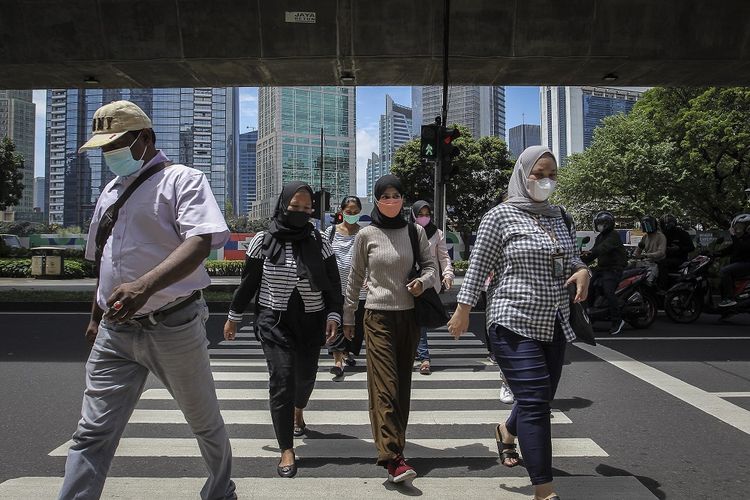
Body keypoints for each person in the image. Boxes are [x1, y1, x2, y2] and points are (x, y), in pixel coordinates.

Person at [59, 100, 236, 500]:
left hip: (172, 324)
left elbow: (199, 243)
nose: (109, 154)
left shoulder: (183, 179)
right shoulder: (110, 191)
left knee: (202, 421)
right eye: (103, 148)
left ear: (146, 138)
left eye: (116, 144)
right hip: (115, 329)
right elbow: (106, 260)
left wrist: (145, 287)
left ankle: (221, 489)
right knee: (91, 432)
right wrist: (95, 315)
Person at [447, 146, 590, 500]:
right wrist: (463, 309)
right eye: (538, 174)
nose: (545, 181)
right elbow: (479, 265)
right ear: (522, 174)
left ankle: (505, 431)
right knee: (537, 402)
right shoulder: (500, 216)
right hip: (511, 319)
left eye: (552, 175)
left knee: (537, 398)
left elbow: (572, 259)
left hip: (553, 319)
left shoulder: (558, 215)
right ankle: (544, 488)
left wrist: (583, 270)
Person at [223, 182, 342, 478]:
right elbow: (248, 283)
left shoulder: (319, 241)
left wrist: (335, 315)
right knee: (282, 378)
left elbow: (332, 284)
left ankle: (298, 409)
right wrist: (233, 316)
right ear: (282, 205)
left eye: (306, 208)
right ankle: (286, 447)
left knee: (305, 377)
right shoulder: (262, 241)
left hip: (311, 319)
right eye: (295, 207)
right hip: (273, 320)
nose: (301, 212)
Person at [343, 175, 437, 484]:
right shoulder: (367, 234)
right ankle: (393, 457)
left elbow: (430, 267)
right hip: (377, 316)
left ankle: (397, 446)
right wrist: (348, 316)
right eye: (386, 195)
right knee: (385, 386)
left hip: (408, 317)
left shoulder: (416, 231)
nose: (392, 200)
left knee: (403, 387)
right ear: (377, 199)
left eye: (397, 194)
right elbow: (356, 278)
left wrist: (422, 282)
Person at [324, 196, 368, 377]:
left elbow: (371, 258)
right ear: (342, 212)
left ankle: (346, 352)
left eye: (356, 212)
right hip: (336, 288)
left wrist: (370, 276)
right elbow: (323, 256)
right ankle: (338, 361)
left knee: (356, 327)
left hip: (359, 290)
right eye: (349, 212)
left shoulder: (365, 233)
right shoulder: (330, 232)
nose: (352, 215)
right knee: (337, 323)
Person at [410, 200, 454, 375]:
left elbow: (443, 257)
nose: (424, 218)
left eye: (427, 214)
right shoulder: (407, 231)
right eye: (420, 215)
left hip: (429, 283)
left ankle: (424, 357)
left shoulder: (437, 233)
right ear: (413, 215)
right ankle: (415, 353)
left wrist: (448, 274)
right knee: (411, 320)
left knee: (420, 320)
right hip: (410, 281)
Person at [582, 211, 628, 335]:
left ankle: (617, 321)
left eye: (600, 224)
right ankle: (590, 316)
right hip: (602, 269)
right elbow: (593, 251)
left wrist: (591, 253)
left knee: (608, 291)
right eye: (598, 224)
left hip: (614, 269)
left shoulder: (613, 236)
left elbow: (601, 249)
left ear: (607, 224)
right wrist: (581, 259)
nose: (599, 226)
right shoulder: (600, 236)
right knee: (588, 286)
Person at [718, 213, 750, 307]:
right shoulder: (743, 238)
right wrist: (715, 254)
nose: (737, 229)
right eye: (736, 226)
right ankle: (728, 308)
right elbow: (731, 249)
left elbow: (741, 248)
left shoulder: (748, 238)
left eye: (740, 226)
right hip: (741, 263)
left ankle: (729, 299)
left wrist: (733, 236)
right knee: (721, 282)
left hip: (746, 263)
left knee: (724, 271)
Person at [658, 214, 695, 286]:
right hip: (666, 257)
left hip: (679, 259)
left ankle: (662, 287)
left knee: (662, 263)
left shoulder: (683, 233)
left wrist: (679, 248)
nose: (667, 226)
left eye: (668, 224)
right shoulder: (663, 235)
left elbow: (691, 248)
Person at [634, 215, 667, 284]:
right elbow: (638, 250)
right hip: (646, 262)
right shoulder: (645, 237)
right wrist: (634, 255)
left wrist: (646, 255)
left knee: (648, 281)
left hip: (657, 263)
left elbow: (661, 252)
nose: (646, 227)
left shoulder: (660, 236)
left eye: (648, 225)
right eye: (644, 225)